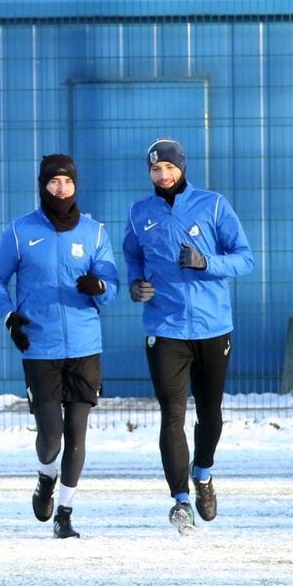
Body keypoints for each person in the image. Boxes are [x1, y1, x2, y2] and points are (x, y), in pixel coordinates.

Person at [122, 138, 255, 535]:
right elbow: (132, 257)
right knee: (172, 415)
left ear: (182, 167)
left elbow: (245, 258)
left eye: (169, 168)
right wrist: (135, 284)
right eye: (155, 170)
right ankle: (180, 501)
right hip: (165, 329)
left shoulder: (213, 205)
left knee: (210, 413)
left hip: (213, 328)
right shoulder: (138, 213)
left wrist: (205, 262)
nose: (163, 176)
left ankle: (204, 475)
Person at [0, 154, 118, 538]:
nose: (61, 188)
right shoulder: (19, 231)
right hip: (40, 346)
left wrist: (100, 287)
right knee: (51, 438)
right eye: (54, 182)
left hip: (84, 345)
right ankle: (46, 476)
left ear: (76, 186)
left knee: (77, 431)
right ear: (43, 185)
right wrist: (9, 317)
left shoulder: (94, 233)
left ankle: (65, 511)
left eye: (67, 182)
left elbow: (111, 287)